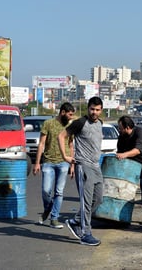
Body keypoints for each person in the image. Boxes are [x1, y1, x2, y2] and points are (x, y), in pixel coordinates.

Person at [58, 96, 104, 246]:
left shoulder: (100, 123)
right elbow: (62, 135)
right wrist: (66, 156)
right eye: (92, 109)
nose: (94, 112)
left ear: (101, 110)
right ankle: (85, 233)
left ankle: (76, 221)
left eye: (97, 110)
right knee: (86, 201)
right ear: (88, 108)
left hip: (96, 167)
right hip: (83, 165)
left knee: (98, 199)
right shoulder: (80, 122)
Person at [33, 102, 75, 228]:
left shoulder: (70, 126)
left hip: (64, 162)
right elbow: (41, 144)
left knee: (59, 192)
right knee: (46, 191)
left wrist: (72, 165)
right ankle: (48, 208)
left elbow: (71, 145)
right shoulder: (48, 124)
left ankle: (54, 218)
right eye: (70, 114)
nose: (71, 117)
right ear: (62, 112)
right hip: (48, 162)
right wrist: (37, 163)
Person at [116, 115, 142, 225]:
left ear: (127, 127)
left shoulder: (141, 133)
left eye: (120, 127)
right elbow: (119, 152)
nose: (119, 129)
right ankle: (120, 213)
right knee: (125, 185)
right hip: (135, 164)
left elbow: (137, 151)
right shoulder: (121, 137)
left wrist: (124, 155)